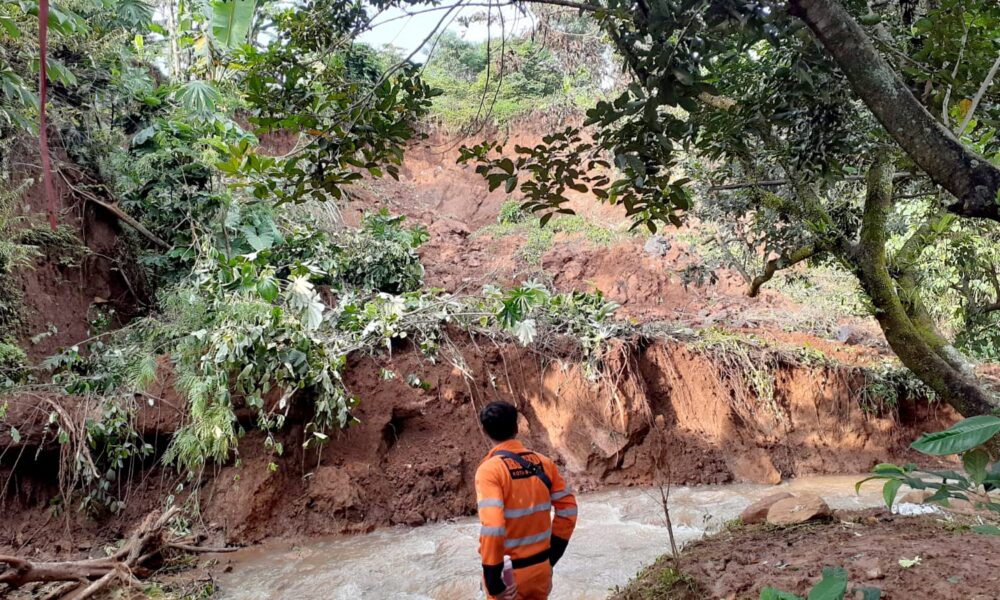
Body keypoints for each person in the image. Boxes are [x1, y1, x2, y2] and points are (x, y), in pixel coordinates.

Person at [475, 401, 578, 600]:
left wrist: (493, 582)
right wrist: (550, 559)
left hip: (508, 578)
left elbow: (493, 527)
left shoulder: (489, 471)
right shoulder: (544, 464)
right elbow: (569, 510)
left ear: (484, 430)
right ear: (516, 428)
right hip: (541, 571)